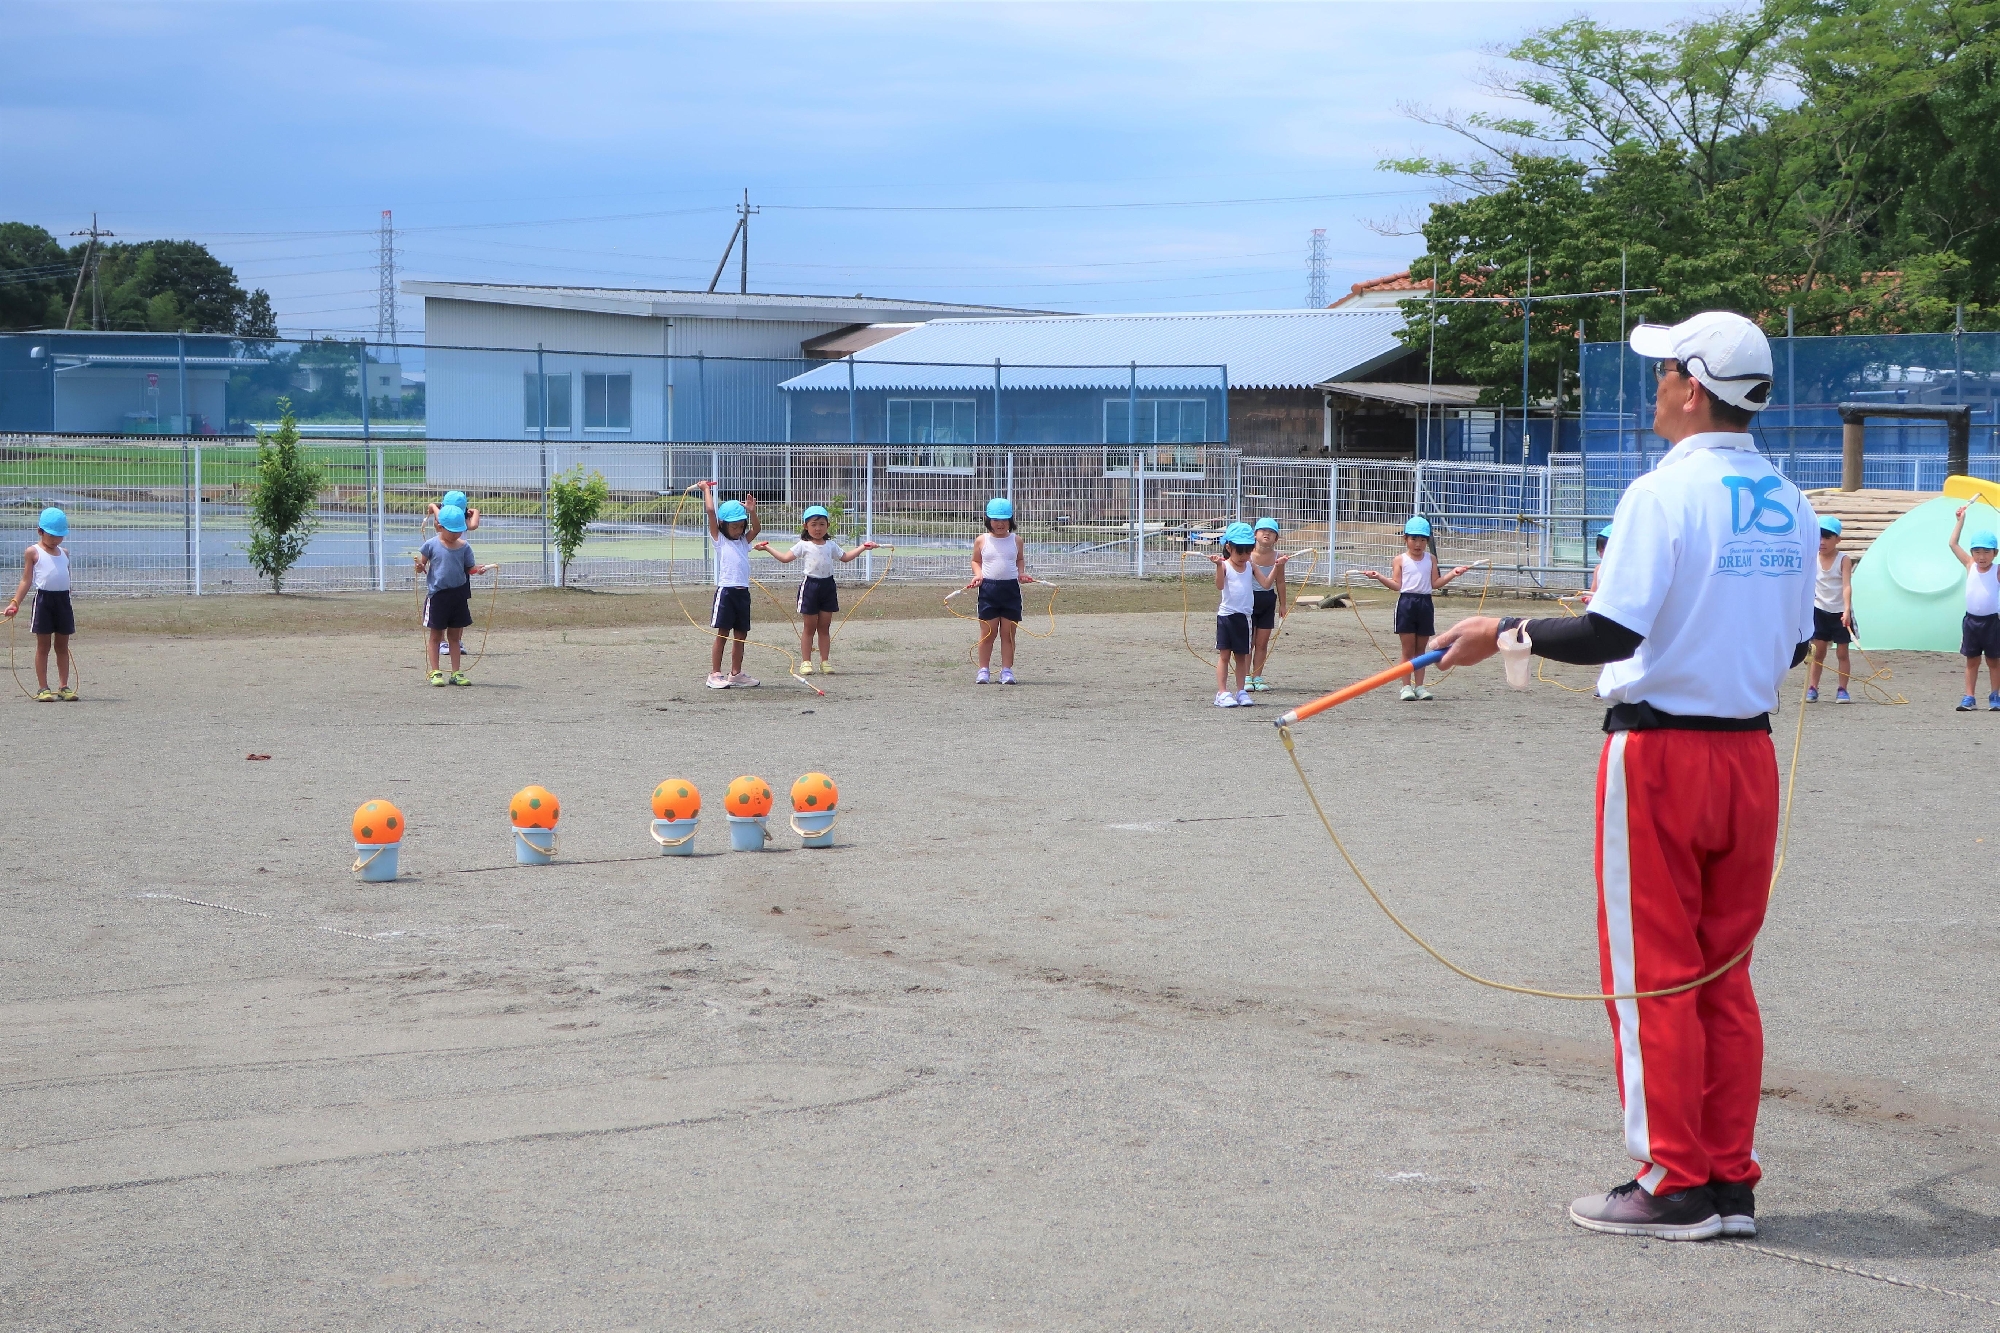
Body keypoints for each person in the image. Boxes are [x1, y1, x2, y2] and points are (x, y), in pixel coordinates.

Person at [1432, 310, 1817, 1243]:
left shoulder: (1661, 493)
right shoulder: (1793, 502)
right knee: (1723, 975)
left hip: (1659, 756)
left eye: (1661, 374)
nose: (1653, 391)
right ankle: (1728, 1179)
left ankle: (1673, 1180)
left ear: (1692, 385)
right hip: (1748, 756)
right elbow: (1800, 635)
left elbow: (1613, 634)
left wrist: (1501, 633)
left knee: (1655, 978)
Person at [1358, 517, 1472, 701]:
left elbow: (1435, 583)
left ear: (1428, 541)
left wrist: (1453, 573)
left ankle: (1420, 687)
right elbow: (1397, 585)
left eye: (1422, 540)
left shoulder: (1431, 559)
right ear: (1405, 539)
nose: (1418, 544)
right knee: (1407, 649)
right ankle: (1406, 687)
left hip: (1425, 603)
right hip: (1406, 604)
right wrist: (1378, 577)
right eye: (1414, 539)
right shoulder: (1400, 560)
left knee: (1421, 650)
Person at [755, 505, 877, 677]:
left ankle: (825, 661)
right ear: (806, 526)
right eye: (813, 524)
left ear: (828, 525)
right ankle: (806, 662)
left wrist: (864, 547)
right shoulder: (803, 545)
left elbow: (846, 557)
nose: (818, 528)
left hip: (828, 586)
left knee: (824, 626)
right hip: (810, 587)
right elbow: (784, 559)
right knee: (809, 627)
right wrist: (767, 548)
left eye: (821, 524)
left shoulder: (831, 545)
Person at [414, 505, 494, 686]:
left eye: (460, 531)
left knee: (455, 637)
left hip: (458, 596)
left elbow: (469, 568)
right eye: (453, 532)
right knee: (436, 636)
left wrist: (478, 570)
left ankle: (456, 672)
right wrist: (419, 566)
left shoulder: (465, 547)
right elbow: (422, 566)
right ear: (440, 527)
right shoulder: (431, 545)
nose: (457, 535)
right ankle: (435, 672)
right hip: (438, 596)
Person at [4, 506, 78, 702]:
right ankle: (43, 687)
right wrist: (15, 603)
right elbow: (26, 580)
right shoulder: (33, 552)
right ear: (40, 531)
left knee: (62, 646)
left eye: (60, 536)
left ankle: (64, 686)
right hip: (44, 601)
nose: (56, 540)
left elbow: (66, 576)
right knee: (43, 646)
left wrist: (69, 590)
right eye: (52, 535)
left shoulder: (64, 552)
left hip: (63, 602)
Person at [969, 497, 1038, 685]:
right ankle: (983, 669)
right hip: (988, 590)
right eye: (995, 519)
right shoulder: (982, 540)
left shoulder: (1016, 540)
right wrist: (978, 575)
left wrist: (1021, 573)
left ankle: (1006, 670)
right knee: (987, 633)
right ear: (988, 520)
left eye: (1004, 520)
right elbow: (976, 561)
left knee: (1008, 634)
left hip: (1010, 591)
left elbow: (1019, 560)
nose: (1000, 524)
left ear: (1011, 520)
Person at [701, 482, 760, 689]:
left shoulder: (744, 540)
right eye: (733, 526)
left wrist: (752, 512)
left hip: (743, 593)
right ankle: (715, 674)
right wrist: (706, 490)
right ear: (723, 525)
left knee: (741, 635)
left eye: (740, 525)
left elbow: (757, 528)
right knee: (722, 633)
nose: (738, 530)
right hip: (726, 592)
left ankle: (736, 673)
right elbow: (710, 511)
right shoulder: (719, 540)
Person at [1948, 505, 2000, 711]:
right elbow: (1952, 543)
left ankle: (1995, 695)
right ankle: (1969, 696)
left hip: (1993, 622)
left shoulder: (1997, 570)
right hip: (1971, 621)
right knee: (1972, 660)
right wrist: (1960, 520)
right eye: (1977, 551)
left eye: (1986, 552)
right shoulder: (1970, 565)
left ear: (1995, 553)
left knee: (1994, 661)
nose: (1981, 556)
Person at [1806, 516, 1854, 704]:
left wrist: (1847, 610)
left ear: (1837, 540)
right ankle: (1813, 687)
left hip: (1840, 611)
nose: (1822, 542)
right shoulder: (1812, 558)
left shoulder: (1843, 560)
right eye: (1819, 536)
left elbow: (1846, 586)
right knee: (1818, 652)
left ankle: (1842, 689)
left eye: (1827, 537)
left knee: (1842, 653)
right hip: (1819, 611)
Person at [1247, 517, 1288, 691]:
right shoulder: (1247, 554)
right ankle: (1246, 676)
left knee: (1262, 643)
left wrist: (1283, 604)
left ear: (1276, 538)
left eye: (1271, 532)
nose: (1267, 534)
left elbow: (1280, 582)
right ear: (1255, 534)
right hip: (1247, 601)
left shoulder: (1278, 557)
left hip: (1267, 601)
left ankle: (1257, 676)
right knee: (1247, 642)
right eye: (1263, 531)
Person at [1578, 523, 1612, 606]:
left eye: (1606, 550)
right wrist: (1589, 599)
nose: (1602, 555)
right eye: (1600, 551)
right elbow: (1592, 593)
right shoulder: (1599, 569)